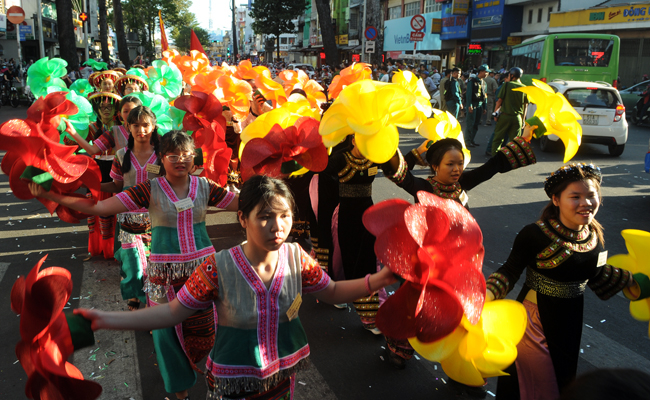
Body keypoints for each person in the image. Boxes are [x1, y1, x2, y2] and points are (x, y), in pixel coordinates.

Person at [68, 175, 396, 400]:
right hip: (236, 383)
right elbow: (170, 313)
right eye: (265, 216)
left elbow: (333, 292)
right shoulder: (217, 268)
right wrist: (102, 318)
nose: (277, 226)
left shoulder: (298, 258)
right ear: (242, 219)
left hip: (283, 377)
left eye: (284, 216)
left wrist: (378, 281)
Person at [29, 131, 239, 400]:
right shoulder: (149, 189)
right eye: (173, 156)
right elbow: (100, 208)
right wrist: (52, 194)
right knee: (167, 336)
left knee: (210, 331)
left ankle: (218, 379)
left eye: (186, 155)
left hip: (204, 273)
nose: (181, 161)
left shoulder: (205, 187)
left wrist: (272, 194)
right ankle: (181, 392)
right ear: (162, 159)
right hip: (165, 275)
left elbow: (240, 203)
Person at [485, 163, 639, 399]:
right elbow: (510, 270)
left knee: (562, 379)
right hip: (533, 322)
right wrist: (484, 295)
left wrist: (634, 282)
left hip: (569, 322)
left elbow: (596, 274)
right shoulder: (534, 234)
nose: (586, 203)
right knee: (534, 384)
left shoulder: (594, 236)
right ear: (556, 200)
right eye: (575, 196)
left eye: (591, 196)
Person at [100, 106, 161, 311]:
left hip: (156, 219)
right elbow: (116, 186)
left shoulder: (163, 155)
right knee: (134, 266)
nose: (141, 130)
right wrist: (91, 186)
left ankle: (150, 308)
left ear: (153, 126)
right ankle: (136, 295)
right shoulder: (120, 155)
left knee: (154, 265)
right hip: (127, 221)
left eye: (145, 125)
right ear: (128, 127)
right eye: (136, 125)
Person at [491, 67, 528, 155]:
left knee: (498, 139)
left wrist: (495, 113)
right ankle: (513, 160)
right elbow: (525, 105)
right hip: (517, 118)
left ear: (511, 75)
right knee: (515, 142)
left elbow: (499, 101)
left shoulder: (507, 85)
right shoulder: (525, 87)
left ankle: (495, 160)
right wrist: (523, 120)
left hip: (505, 116)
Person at [465, 65, 489, 147]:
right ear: (481, 72)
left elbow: (485, 96)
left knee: (476, 124)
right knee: (470, 124)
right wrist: (469, 105)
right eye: (486, 72)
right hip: (473, 105)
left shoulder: (484, 83)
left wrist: (484, 107)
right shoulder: (472, 82)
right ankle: (467, 141)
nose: (487, 74)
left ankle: (472, 140)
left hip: (480, 106)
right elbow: (468, 95)